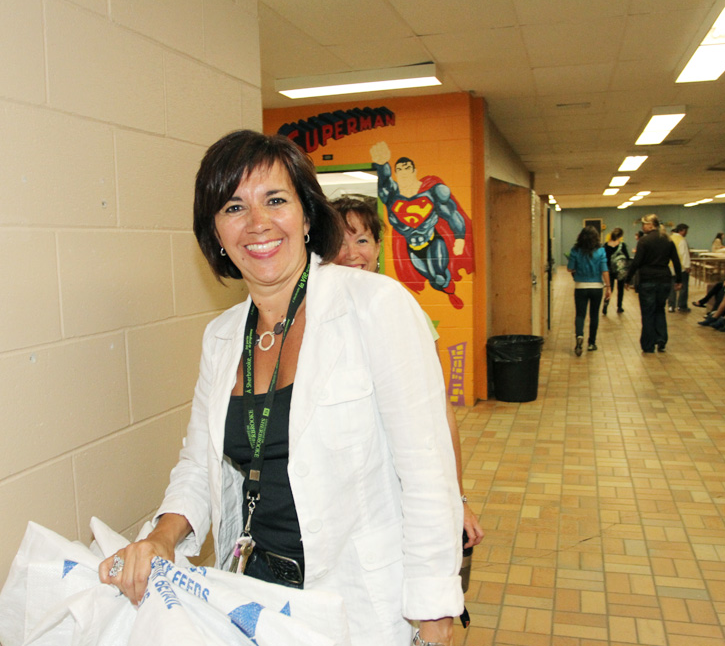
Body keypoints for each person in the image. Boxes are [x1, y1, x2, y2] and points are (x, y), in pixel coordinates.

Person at [99, 131, 463, 646]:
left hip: (359, 606)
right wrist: (161, 535)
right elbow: (197, 464)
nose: (258, 224)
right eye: (233, 207)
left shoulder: (376, 308)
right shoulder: (223, 337)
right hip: (252, 602)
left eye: (275, 200)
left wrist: (433, 621)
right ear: (216, 233)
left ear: (308, 216)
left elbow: (429, 476)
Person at [331, 194, 485, 550]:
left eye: (362, 240)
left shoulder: (402, 311)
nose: (351, 253)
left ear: (379, 247)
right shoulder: (307, 318)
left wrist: (456, 499)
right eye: (337, 242)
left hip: (397, 486)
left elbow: (439, 413)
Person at [369, 141, 474, 309]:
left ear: (414, 171)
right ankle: (445, 288)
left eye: (407, 168)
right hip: (413, 249)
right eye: (399, 169)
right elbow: (385, 183)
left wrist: (460, 238)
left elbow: (451, 213)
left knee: (438, 276)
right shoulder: (392, 198)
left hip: (434, 242)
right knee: (432, 281)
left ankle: (450, 290)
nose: (403, 172)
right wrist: (382, 165)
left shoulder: (432, 193)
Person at [625, 214, 681, 354]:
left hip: (648, 280)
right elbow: (676, 261)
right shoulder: (668, 240)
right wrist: (679, 279)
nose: (643, 227)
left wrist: (627, 279)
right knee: (659, 309)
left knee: (648, 313)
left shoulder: (644, 241)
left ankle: (648, 344)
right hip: (664, 279)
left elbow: (637, 262)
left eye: (644, 224)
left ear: (651, 225)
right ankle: (661, 339)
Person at [567, 226, 610, 356]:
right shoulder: (601, 251)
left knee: (580, 315)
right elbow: (604, 270)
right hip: (596, 287)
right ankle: (591, 343)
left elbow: (570, 268)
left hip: (580, 286)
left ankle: (579, 336)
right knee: (594, 315)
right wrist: (608, 287)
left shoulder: (575, 250)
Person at [602, 228, 629, 315]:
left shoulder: (606, 245)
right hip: (620, 270)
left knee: (610, 288)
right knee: (620, 289)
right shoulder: (622, 245)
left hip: (609, 269)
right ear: (620, 236)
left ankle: (605, 305)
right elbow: (627, 257)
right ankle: (619, 306)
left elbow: (603, 257)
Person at [667, 223, 691, 312]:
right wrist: (687, 266)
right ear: (682, 230)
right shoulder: (682, 240)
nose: (686, 233)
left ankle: (671, 305)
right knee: (683, 286)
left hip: (669, 266)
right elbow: (684, 254)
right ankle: (682, 305)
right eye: (686, 231)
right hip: (680, 267)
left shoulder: (669, 238)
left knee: (671, 287)